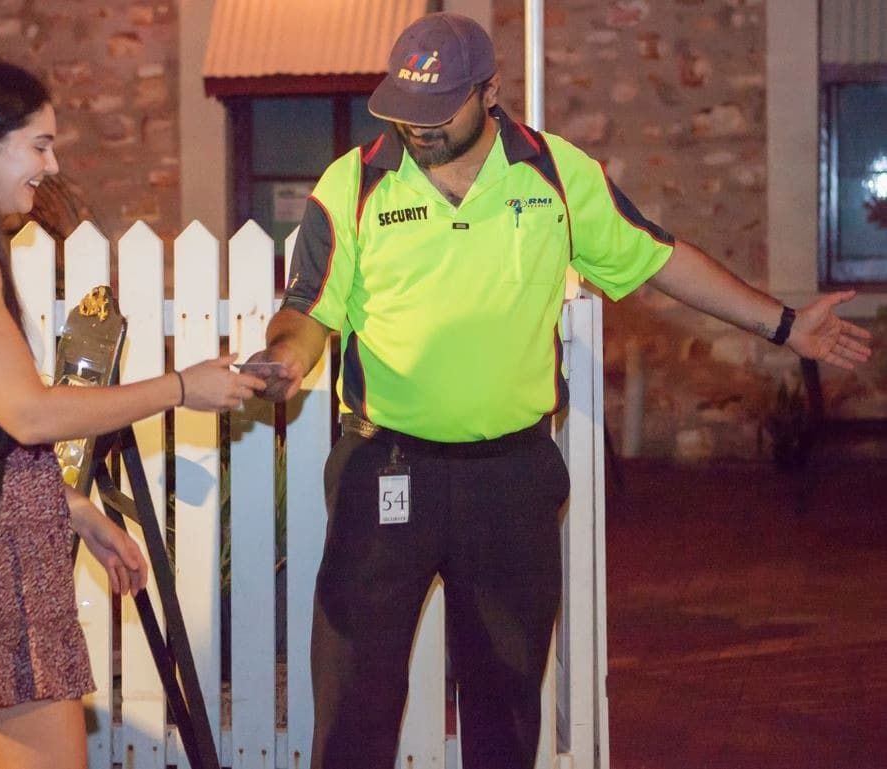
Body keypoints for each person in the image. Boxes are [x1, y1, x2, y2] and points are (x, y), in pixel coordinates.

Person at [246, 12, 873, 769]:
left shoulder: (554, 173)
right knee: (353, 711)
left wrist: (783, 324)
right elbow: (309, 308)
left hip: (510, 480)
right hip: (384, 472)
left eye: (438, 110)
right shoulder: (354, 183)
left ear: (489, 92)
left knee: (506, 712)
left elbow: (660, 258)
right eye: (403, 112)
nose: (418, 130)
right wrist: (286, 357)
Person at [0, 56, 265, 769]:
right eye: (40, 144)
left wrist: (77, 510)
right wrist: (181, 386)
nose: (51, 166)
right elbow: (28, 414)